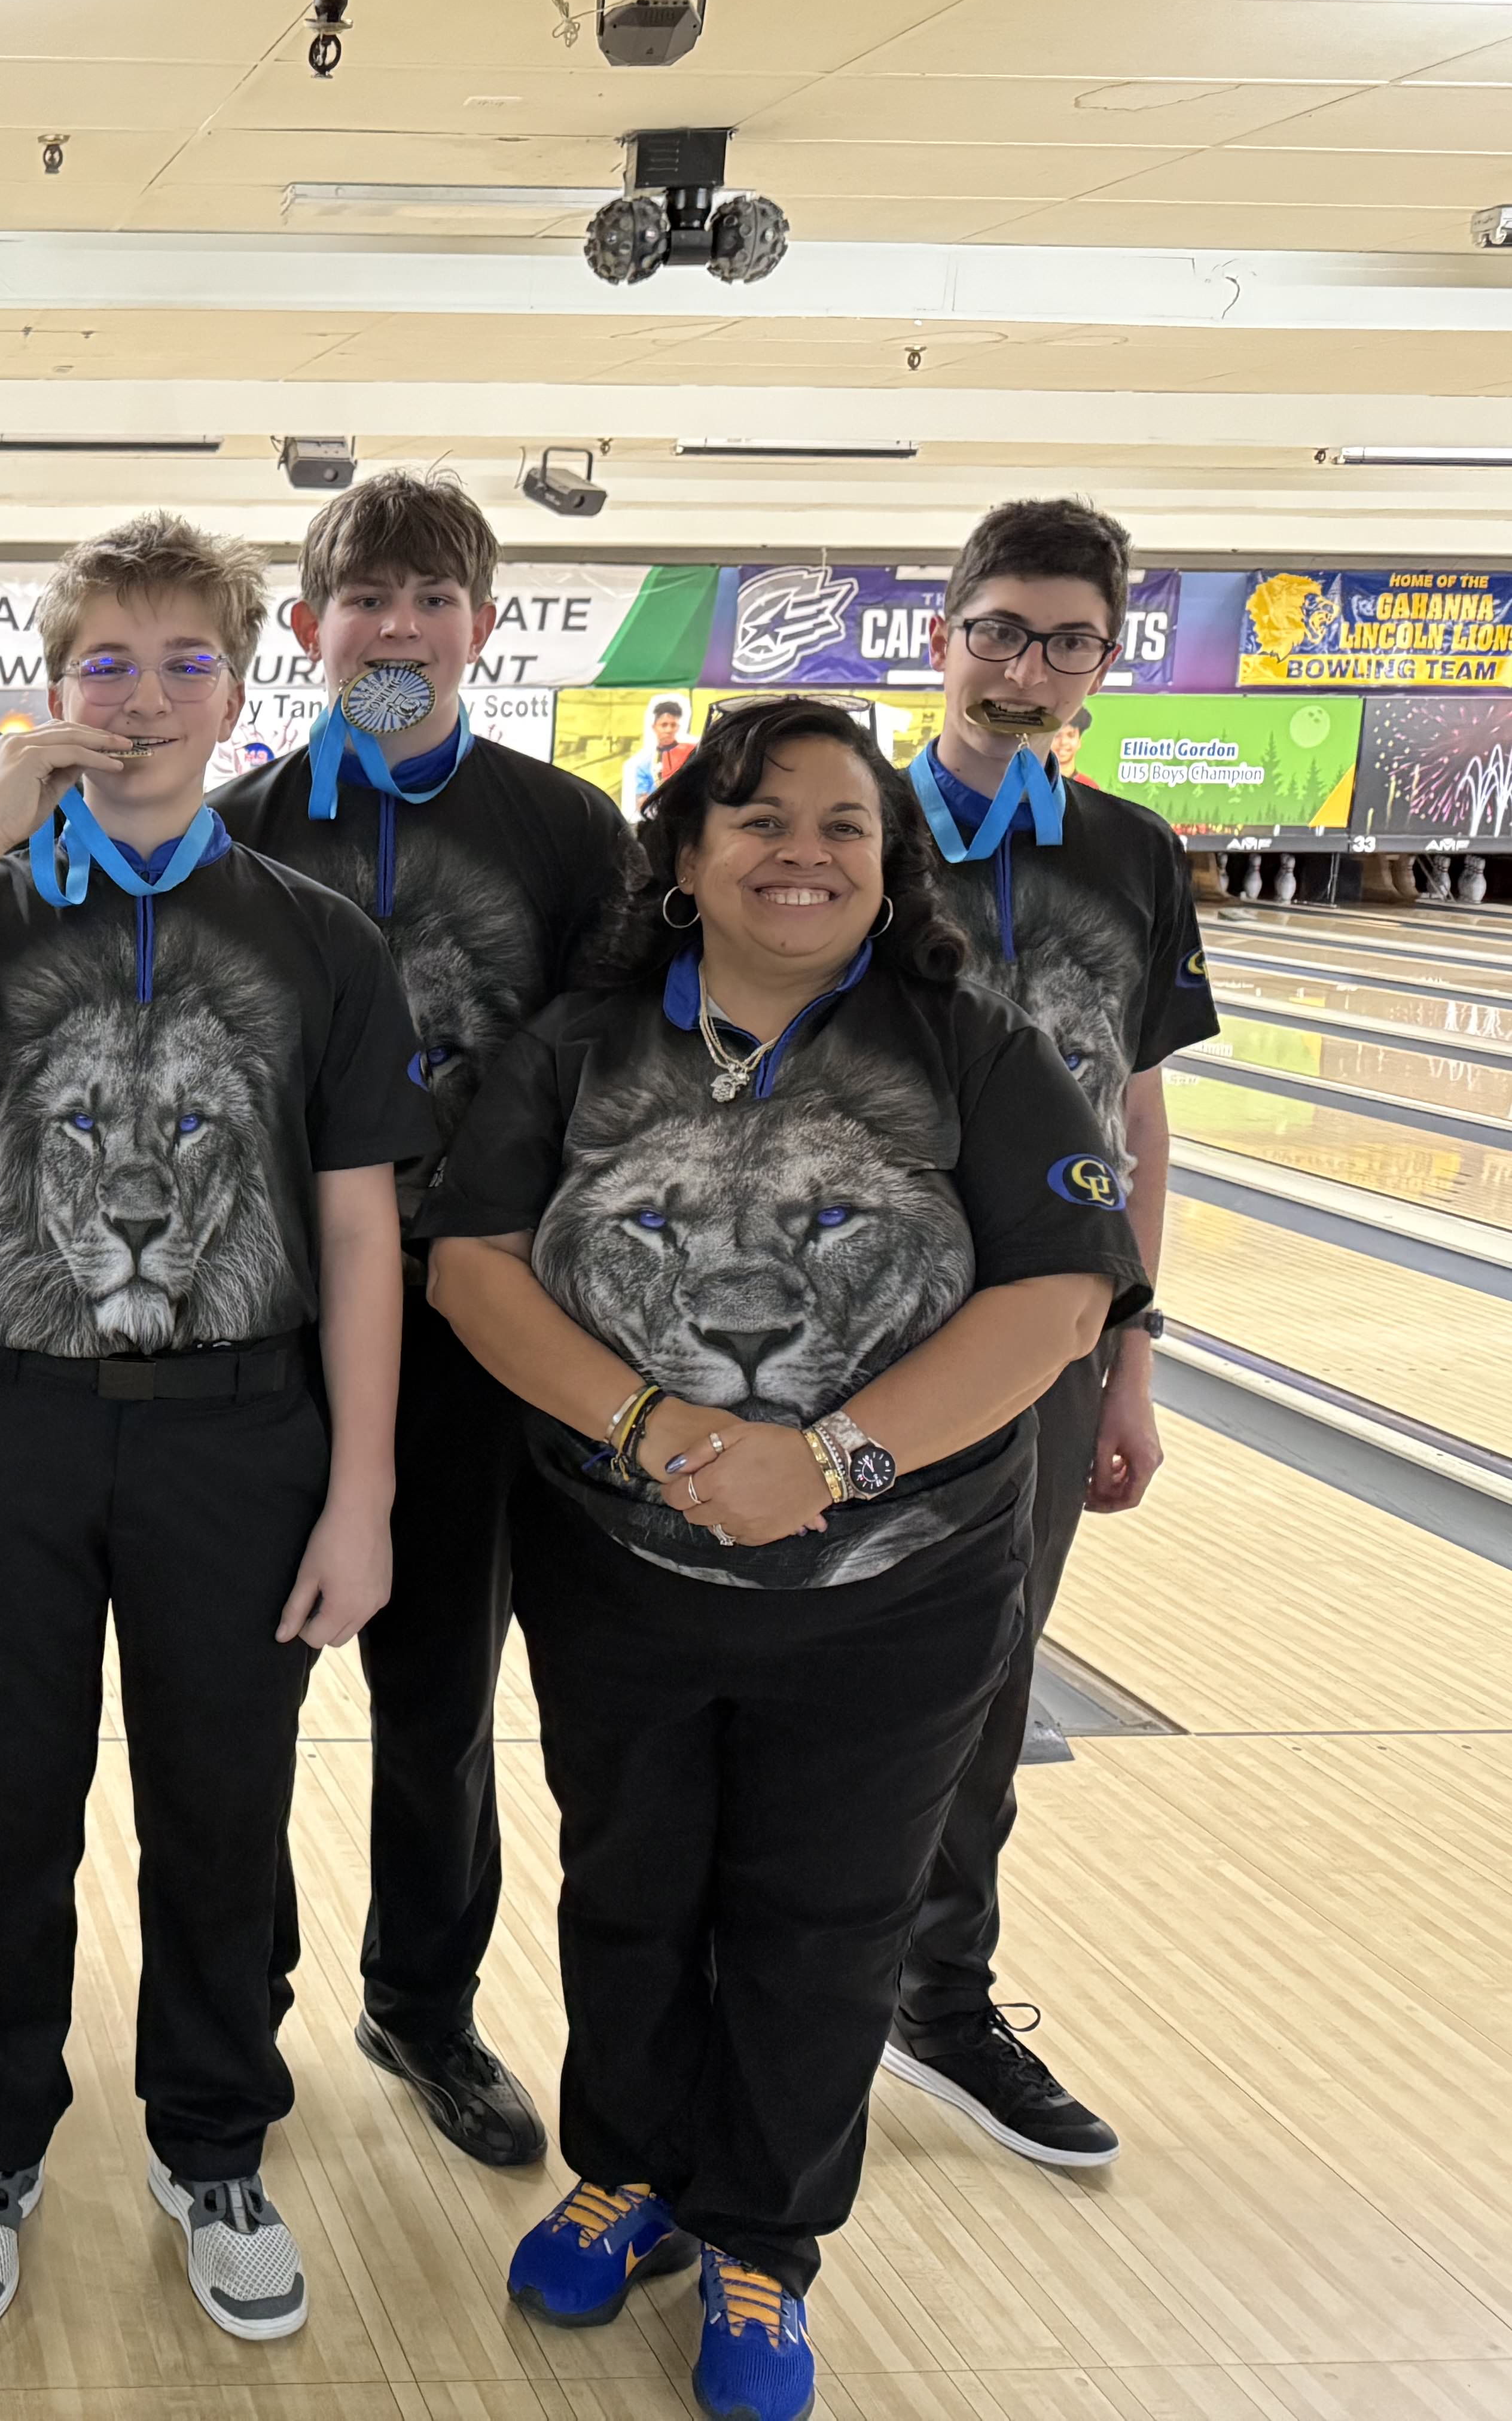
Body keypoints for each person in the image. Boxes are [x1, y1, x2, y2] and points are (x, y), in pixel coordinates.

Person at [416, 694, 1148, 2421]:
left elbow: (1058, 1291)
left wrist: (830, 1457)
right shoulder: (579, 1047)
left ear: (890, 864)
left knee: (827, 1912)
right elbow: (474, 1267)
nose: (800, 852)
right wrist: (665, 1438)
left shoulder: (969, 1044)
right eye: (758, 819)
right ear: (683, 854)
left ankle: (766, 2241)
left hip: (906, 1584)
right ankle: (631, 2171)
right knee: (633, 1881)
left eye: (841, 823)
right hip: (620, 1563)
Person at [0, 512, 430, 2346]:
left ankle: (210, 2139)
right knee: (1, 1808)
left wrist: (364, 1492)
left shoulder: (316, 937)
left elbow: (353, 1228)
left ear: (242, 694)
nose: (144, 697)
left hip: (239, 1431)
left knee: (218, 1811)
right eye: (105, 661)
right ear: (46, 685)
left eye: (183, 664)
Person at [209, 471, 626, 2171]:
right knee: (241, 1699)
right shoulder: (236, 824)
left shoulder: (567, 831)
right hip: (260, 1332)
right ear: (309, 628)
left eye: (432, 597)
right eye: (362, 599)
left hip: (475, 1332)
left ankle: (424, 2000)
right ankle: (243, 1994)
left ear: (485, 621)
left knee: (439, 1697)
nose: (396, 627)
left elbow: (613, 1080)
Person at [887, 501, 1214, 2170]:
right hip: (847, 1342)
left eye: (1065, 640)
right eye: (999, 630)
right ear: (941, 634)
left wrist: (1136, 1362)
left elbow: (1141, 1121)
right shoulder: (839, 828)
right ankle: (764, 1983)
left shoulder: (1134, 854)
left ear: (1105, 659)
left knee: (992, 1675)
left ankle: (941, 1995)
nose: (1025, 667)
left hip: (1058, 1345)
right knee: (802, 1666)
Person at [620, 697, 692, 821]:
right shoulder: (645, 765)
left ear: (678, 727)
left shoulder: (691, 752)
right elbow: (641, 802)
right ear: (654, 727)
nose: (669, 730)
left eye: (673, 725)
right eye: (664, 725)